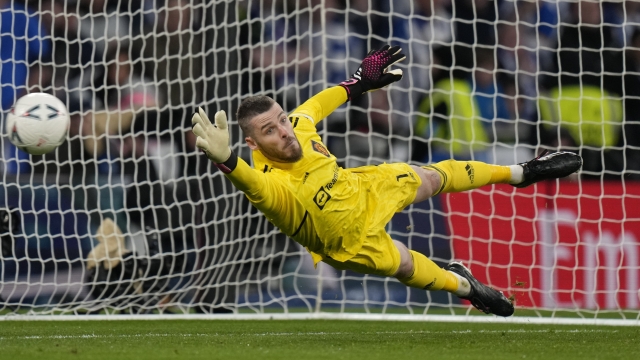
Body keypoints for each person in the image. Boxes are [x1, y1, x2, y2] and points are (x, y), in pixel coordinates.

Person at [191, 45, 582, 317]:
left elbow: (318, 104)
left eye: (280, 119)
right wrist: (226, 159)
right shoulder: (272, 183)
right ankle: (467, 288)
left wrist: (359, 83)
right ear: (252, 142)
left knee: (431, 176)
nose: (285, 131)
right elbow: (251, 186)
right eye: (270, 130)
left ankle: (523, 172)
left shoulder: (296, 126)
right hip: (345, 240)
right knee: (408, 266)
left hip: (360, 186)